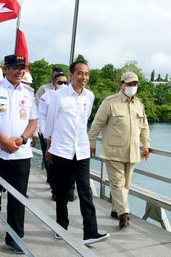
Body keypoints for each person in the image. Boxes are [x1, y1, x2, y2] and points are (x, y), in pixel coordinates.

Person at [43, 60, 109, 245]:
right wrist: (49, 145)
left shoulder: (90, 96)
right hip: (62, 150)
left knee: (85, 191)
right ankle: (60, 226)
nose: (84, 77)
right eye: (80, 73)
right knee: (62, 191)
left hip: (81, 150)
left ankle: (90, 232)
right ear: (71, 75)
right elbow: (50, 121)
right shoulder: (58, 96)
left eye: (86, 74)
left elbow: (84, 122)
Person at [88, 71, 150, 229]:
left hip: (133, 151)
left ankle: (116, 210)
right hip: (113, 151)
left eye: (135, 84)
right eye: (129, 84)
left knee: (126, 185)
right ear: (121, 84)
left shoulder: (139, 104)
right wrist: (92, 142)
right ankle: (124, 214)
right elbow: (97, 124)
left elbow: (144, 127)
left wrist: (146, 144)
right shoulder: (110, 102)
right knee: (117, 184)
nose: (132, 87)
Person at [0, 54, 38, 254]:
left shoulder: (28, 93)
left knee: (19, 197)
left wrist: (23, 139)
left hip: (21, 154)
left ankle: (14, 237)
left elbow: (33, 121)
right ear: (6, 68)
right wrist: (3, 140)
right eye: (15, 67)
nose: (19, 71)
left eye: (22, 68)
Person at [37, 72, 75, 202]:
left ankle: (70, 190)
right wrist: (43, 131)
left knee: (70, 163)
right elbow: (41, 115)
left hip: (65, 136)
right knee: (51, 163)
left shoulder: (72, 96)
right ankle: (55, 190)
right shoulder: (46, 97)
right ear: (54, 83)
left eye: (66, 82)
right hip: (49, 135)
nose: (63, 85)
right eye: (60, 82)